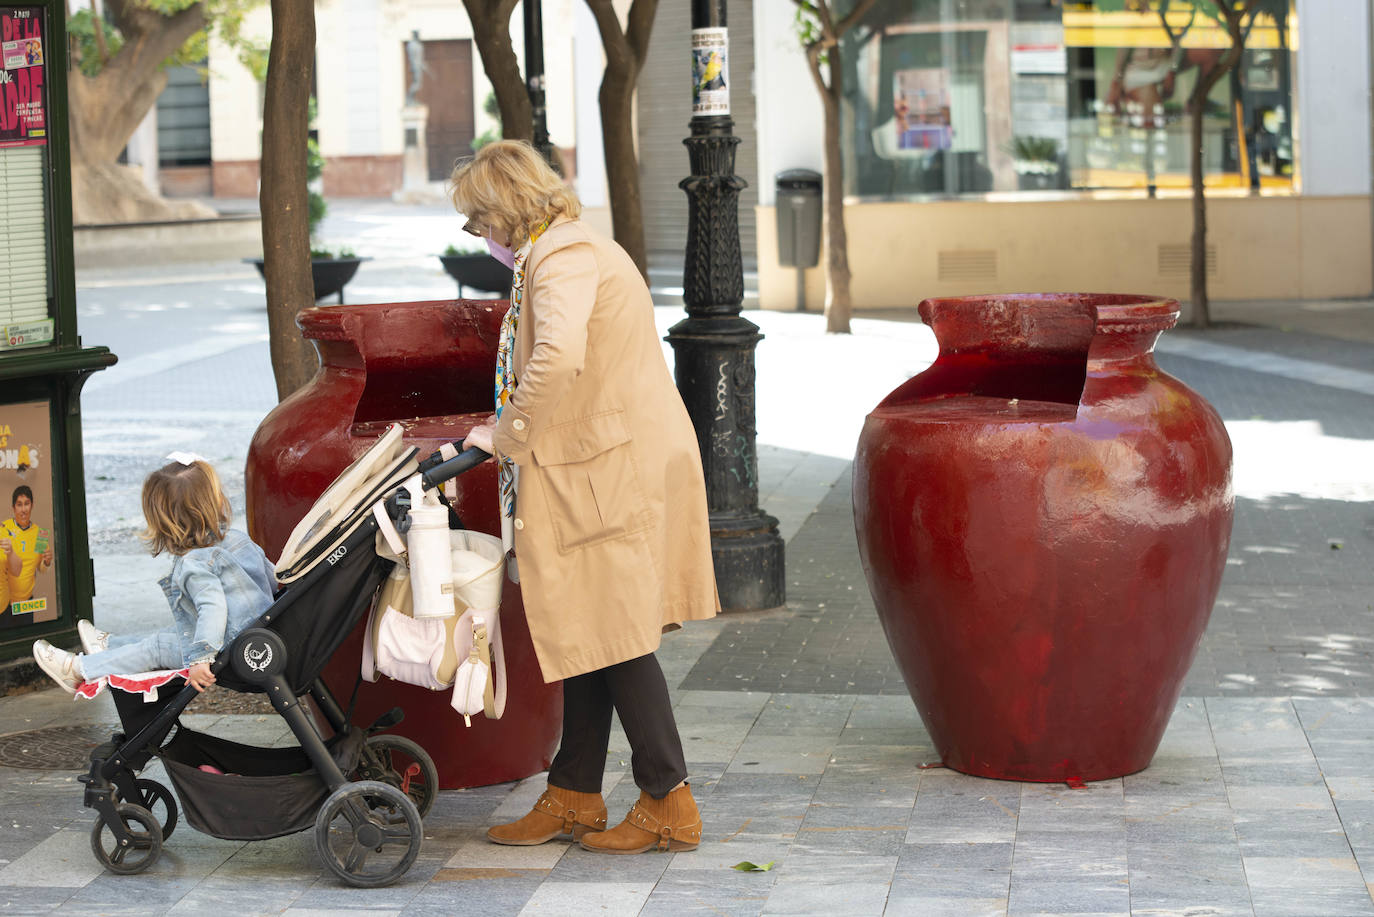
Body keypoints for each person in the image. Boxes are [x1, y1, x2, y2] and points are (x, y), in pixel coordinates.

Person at [450, 140, 720, 855]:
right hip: (600, 463)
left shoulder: (562, 259)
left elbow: (559, 355)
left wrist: (506, 433)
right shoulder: (569, 250)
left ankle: (669, 798)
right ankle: (574, 791)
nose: (480, 237)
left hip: (603, 469)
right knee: (592, 633)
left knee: (619, 636)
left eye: (478, 220)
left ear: (505, 208)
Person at [31, 457, 277, 696]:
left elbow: (213, 608)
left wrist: (201, 658)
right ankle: (108, 646)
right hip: (259, 637)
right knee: (169, 634)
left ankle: (77, 669)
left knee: (157, 647)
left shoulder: (195, 563)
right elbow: (273, 578)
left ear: (165, 522)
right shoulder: (238, 539)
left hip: (231, 652)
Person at [2, 486, 52, 605]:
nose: (23, 509)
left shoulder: (41, 535)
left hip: (26, 603)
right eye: (19, 505)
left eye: (26, 504)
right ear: (13, 508)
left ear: (32, 505)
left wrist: (47, 562)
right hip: (4, 603)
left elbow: (41, 569)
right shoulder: (4, 528)